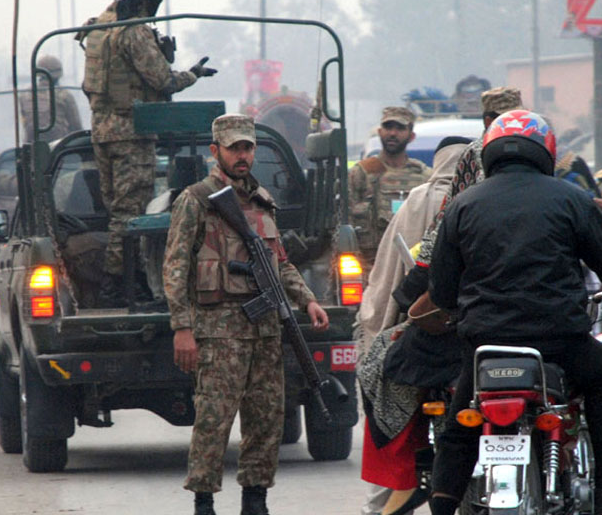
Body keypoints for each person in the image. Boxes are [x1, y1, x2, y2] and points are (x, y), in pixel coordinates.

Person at [425, 110, 602, 515]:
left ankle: (442, 507)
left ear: (489, 152)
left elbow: (441, 288)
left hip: (484, 347)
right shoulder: (571, 199)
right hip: (559, 342)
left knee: (459, 430)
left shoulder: (462, 204)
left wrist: (462, 310)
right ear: (544, 151)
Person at [163, 114, 329, 515]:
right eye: (234, 147)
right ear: (215, 150)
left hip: (266, 330)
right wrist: (182, 328)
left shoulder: (262, 200)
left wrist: (307, 299)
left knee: (266, 419)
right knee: (213, 420)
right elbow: (175, 268)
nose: (242, 155)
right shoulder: (196, 200)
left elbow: (281, 262)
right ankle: (204, 501)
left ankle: (256, 499)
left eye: (248, 147)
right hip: (219, 332)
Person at [395, 87, 602, 312]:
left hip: (492, 305)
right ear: (489, 121)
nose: (517, 128)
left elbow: (555, 198)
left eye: (520, 118)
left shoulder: (547, 162)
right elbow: (447, 220)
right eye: (508, 119)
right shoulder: (474, 157)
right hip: (502, 275)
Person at [81, 0, 216, 306]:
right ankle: (121, 286)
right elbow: (162, 80)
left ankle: (128, 280)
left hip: (102, 130)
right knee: (129, 215)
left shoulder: (100, 24)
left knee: (117, 212)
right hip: (131, 133)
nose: (157, 9)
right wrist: (193, 74)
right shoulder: (135, 32)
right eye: (156, 1)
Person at [355, 136, 471, 515]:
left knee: (383, 383)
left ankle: (388, 497)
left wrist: (391, 318)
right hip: (485, 332)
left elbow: (398, 276)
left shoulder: (421, 198)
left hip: (426, 328)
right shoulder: (481, 198)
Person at [348, 106, 431, 280]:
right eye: (388, 127)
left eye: (400, 128)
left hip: (411, 268)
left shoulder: (424, 176)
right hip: (370, 267)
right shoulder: (362, 173)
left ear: (411, 135)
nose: (392, 133)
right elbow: (344, 223)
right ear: (379, 131)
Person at [19, 54, 83, 142]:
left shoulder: (24, 95)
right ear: (58, 75)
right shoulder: (64, 95)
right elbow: (76, 128)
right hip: (58, 150)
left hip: (32, 148)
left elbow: (25, 123)